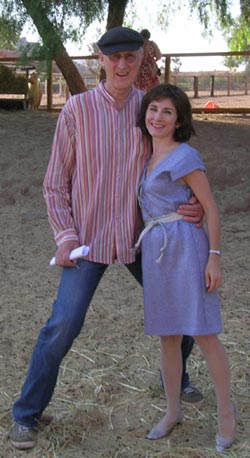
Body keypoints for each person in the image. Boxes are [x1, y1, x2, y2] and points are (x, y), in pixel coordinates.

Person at [9, 27, 203, 451]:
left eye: (131, 58)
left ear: (140, 59)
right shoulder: (76, 110)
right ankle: (26, 413)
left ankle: (175, 377)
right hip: (89, 240)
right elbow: (54, 184)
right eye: (114, 57)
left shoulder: (150, 111)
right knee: (62, 325)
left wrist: (195, 203)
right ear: (100, 58)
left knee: (184, 311)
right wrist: (65, 237)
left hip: (142, 237)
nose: (122, 65)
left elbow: (175, 164)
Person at [135, 83, 236, 451]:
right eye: (153, 109)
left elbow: (210, 207)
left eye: (166, 112)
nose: (157, 117)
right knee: (168, 337)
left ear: (179, 121)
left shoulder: (185, 156)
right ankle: (172, 410)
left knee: (205, 334)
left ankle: (227, 413)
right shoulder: (146, 156)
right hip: (158, 253)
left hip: (188, 250)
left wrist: (214, 257)